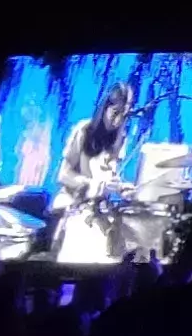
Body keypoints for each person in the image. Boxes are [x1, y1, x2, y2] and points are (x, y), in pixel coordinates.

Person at [48, 81, 137, 265]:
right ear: (105, 108)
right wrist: (95, 186)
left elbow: (109, 176)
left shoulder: (121, 138)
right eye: (115, 113)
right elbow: (63, 175)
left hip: (100, 213)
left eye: (124, 115)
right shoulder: (84, 130)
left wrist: (121, 189)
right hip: (76, 208)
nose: (118, 121)